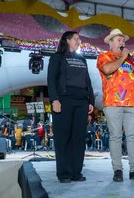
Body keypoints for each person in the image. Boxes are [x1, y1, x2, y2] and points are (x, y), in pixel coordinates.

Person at [97, 28, 134, 182]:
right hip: (112, 102)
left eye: (123, 40)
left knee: (133, 136)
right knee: (115, 136)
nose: (122, 42)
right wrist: (122, 57)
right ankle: (118, 170)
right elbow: (107, 70)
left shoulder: (130, 61)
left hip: (131, 103)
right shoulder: (104, 56)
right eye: (119, 40)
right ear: (111, 42)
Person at [47, 31, 95, 183]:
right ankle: (64, 173)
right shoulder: (57, 57)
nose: (78, 41)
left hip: (81, 102)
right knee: (63, 138)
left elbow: (88, 81)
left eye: (79, 39)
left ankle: (76, 173)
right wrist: (54, 99)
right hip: (64, 101)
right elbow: (51, 79)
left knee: (79, 138)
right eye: (76, 39)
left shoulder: (82, 59)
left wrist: (91, 101)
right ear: (67, 40)